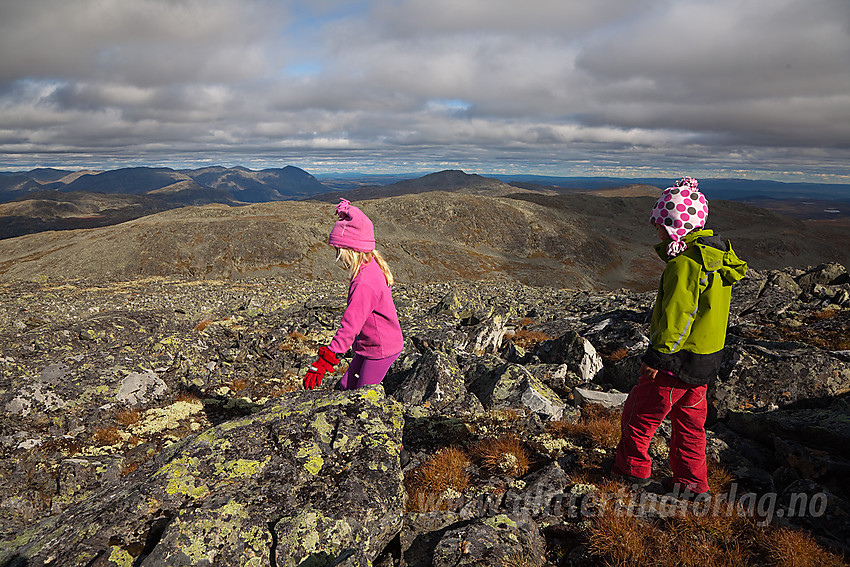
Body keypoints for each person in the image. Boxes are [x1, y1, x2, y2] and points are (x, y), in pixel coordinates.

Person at [608, 177, 747, 495]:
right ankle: (692, 484)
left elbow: (677, 317)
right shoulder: (718, 260)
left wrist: (658, 355)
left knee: (639, 413)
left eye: (660, 226)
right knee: (691, 427)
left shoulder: (684, 265)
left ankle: (631, 470)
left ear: (676, 227)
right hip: (705, 363)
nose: (656, 232)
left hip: (675, 363)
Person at [303, 199, 404, 391]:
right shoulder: (371, 263)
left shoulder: (363, 282)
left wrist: (327, 359)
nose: (337, 257)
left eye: (338, 251)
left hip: (381, 349)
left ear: (350, 250)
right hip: (371, 345)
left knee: (362, 395)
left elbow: (351, 325)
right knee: (345, 386)